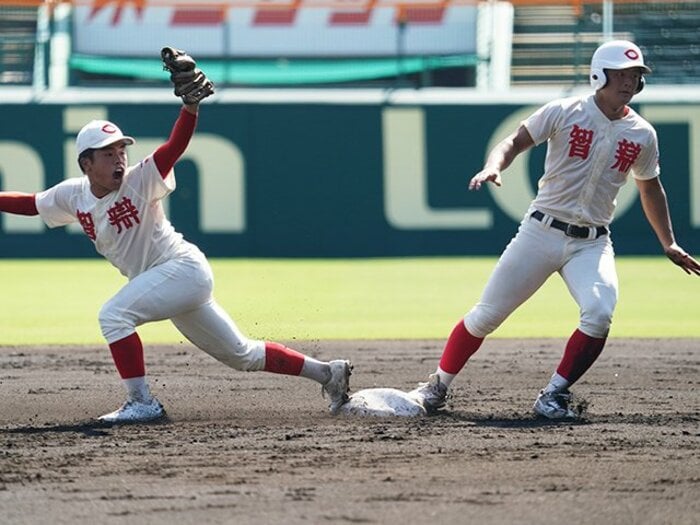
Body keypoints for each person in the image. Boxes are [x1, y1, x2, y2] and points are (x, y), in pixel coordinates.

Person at [0, 49, 351, 424]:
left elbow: (172, 150)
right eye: (107, 154)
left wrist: (190, 108)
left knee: (114, 316)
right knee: (241, 354)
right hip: (166, 281)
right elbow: (31, 204)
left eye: (121, 150)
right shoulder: (73, 194)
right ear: (86, 163)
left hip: (180, 269)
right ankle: (328, 373)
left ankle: (142, 402)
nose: (119, 158)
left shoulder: (137, 181)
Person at [408, 40, 700, 419]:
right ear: (600, 74)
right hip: (541, 231)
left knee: (599, 313)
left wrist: (669, 242)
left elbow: (650, 187)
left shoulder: (642, 133)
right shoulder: (566, 111)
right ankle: (437, 386)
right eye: (622, 74)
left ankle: (553, 394)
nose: (629, 82)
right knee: (486, 316)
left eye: (635, 75)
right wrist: (494, 165)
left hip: (592, 242)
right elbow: (515, 140)